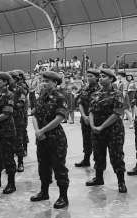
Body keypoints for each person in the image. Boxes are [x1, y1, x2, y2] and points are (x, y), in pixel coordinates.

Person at [30, 71, 69, 209]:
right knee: (43, 167)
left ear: (55, 83)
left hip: (56, 139)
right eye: (42, 81)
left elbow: (60, 118)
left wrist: (42, 130)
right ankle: (44, 192)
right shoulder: (41, 97)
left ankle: (63, 197)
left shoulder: (60, 97)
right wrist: (37, 131)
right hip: (42, 138)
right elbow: (34, 115)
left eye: (47, 81)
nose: (43, 83)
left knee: (59, 168)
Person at [85, 69, 127, 193]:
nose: (101, 78)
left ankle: (121, 182)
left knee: (116, 156)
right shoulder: (95, 94)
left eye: (104, 76)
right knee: (98, 155)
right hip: (97, 130)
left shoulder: (117, 94)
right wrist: (93, 126)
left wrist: (101, 127)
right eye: (101, 76)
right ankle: (98, 178)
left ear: (111, 79)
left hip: (114, 130)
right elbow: (91, 110)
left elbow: (117, 113)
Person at [74, 69, 101, 167]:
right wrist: (84, 116)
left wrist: (90, 118)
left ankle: (98, 163)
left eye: (91, 76)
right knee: (86, 140)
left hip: (96, 120)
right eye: (88, 76)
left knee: (97, 142)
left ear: (97, 78)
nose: (88, 78)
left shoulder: (100, 90)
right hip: (85, 119)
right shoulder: (84, 88)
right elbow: (80, 102)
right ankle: (86, 159)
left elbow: (98, 107)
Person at [11, 70, 29, 172]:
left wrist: (10, 106)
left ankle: (20, 162)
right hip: (9, 119)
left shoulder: (21, 89)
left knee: (19, 141)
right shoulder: (7, 89)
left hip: (18, 118)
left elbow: (21, 102)